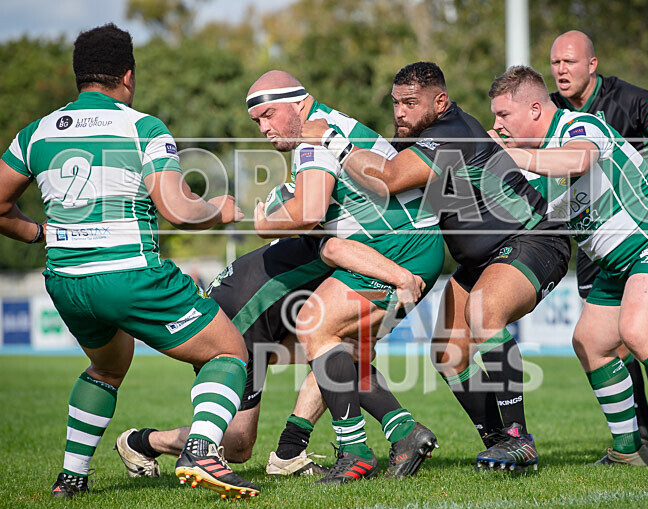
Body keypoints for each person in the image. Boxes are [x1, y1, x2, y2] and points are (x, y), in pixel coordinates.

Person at [0, 23, 258, 499]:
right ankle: (201, 450)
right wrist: (218, 208)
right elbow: (178, 210)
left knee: (107, 368)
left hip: (67, 280)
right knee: (229, 352)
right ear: (128, 75)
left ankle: (71, 478)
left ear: (78, 76)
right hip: (130, 275)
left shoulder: (35, 133)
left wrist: (38, 232)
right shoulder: (142, 127)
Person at [301, 62, 571, 471]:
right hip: (483, 258)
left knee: (486, 315)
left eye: (410, 103)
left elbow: (387, 178)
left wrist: (331, 140)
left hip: (532, 240)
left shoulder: (450, 133)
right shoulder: (430, 133)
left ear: (440, 101)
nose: (400, 113)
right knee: (447, 354)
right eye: (395, 103)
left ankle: (519, 438)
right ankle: (497, 441)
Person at [488, 65, 648, 471]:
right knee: (589, 342)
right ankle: (627, 447)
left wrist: (517, 156)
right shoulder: (537, 164)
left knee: (637, 332)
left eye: (503, 115)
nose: (498, 125)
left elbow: (580, 160)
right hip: (620, 263)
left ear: (534, 109)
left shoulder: (579, 126)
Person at [249, 70, 445, 484]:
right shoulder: (327, 124)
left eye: (268, 114)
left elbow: (309, 210)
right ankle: (404, 433)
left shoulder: (313, 136)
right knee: (339, 354)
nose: (264, 127)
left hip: (399, 247)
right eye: (256, 122)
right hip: (406, 245)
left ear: (298, 104)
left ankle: (354, 452)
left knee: (312, 325)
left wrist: (267, 223)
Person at [115, 233, 428, 478]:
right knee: (238, 445)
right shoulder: (344, 244)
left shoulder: (345, 236)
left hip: (257, 312)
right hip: (238, 324)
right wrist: (402, 279)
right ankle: (141, 443)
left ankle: (290, 452)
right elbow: (334, 251)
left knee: (336, 351)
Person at [549, 30, 648, 457]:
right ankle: (642, 431)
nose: (561, 70)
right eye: (556, 62)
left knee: (643, 332)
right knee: (608, 343)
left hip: (640, 232)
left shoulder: (628, 99)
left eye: (570, 62)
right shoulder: (549, 109)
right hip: (596, 242)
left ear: (592, 65)